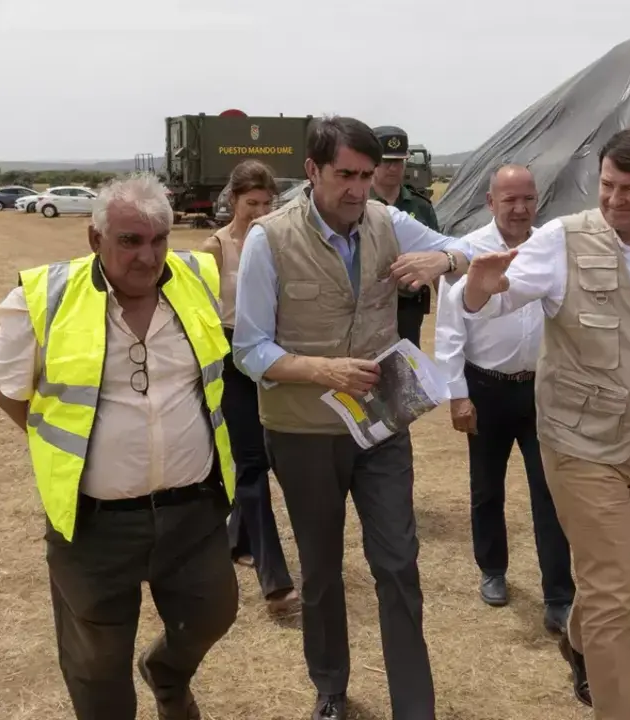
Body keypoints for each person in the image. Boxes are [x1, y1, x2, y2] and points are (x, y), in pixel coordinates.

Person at [461, 125, 630, 720]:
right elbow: (502, 291)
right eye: (607, 185)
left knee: (618, 570)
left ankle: (577, 639)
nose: (614, 200)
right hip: (580, 444)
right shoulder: (562, 239)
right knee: (615, 594)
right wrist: (480, 291)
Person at [231, 115, 474, 720]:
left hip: (382, 423)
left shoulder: (387, 222)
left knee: (398, 562)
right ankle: (331, 688)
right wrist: (324, 370)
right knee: (320, 570)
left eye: (367, 176)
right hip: (302, 430)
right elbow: (250, 348)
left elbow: (466, 248)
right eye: (346, 175)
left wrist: (443, 265)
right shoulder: (269, 238)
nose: (359, 189)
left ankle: (413, 706)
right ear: (312, 171)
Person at [0, 173, 238, 720]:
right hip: (94, 525)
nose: (147, 257)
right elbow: (7, 389)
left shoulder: (198, 277)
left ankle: (167, 674)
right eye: (129, 241)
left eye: (158, 240)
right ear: (95, 239)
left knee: (213, 614)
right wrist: (73, 447)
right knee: (97, 664)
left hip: (192, 512)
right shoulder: (43, 297)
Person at [433, 164, 575, 631]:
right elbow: (450, 331)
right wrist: (458, 396)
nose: (520, 208)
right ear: (490, 202)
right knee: (486, 488)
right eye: (509, 199)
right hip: (486, 389)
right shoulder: (466, 254)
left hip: (541, 390)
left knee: (550, 491)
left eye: (528, 198)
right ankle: (493, 570)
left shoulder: (551, 249)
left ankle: (558, 592)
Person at [199, 160, 299, 614]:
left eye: (265, 203)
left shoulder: (277, 241)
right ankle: (274, 580)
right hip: (230, 356)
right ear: (232, 200)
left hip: (271, 356)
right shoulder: (215, 248)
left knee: (265, 457)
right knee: (253, 463)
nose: (258, 211)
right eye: (250, 203)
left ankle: (235, 540)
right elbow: (201, 315)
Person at [371, 124, 441, 348]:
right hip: (370, 306)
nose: (394, 168)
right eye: (387, 161)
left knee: (408, 362)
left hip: (409, 305)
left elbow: (438, 254)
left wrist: (446, 307)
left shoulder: (420, 207)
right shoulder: (358, 205)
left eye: (399, 161)